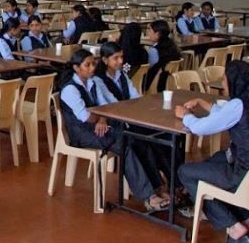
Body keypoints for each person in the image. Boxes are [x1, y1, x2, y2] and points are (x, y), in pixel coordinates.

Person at [176, 61, 249, 243]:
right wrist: (203, 103)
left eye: (224, 78)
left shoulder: (238, 105)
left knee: (186, 172)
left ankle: (234, 226)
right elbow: (229, 115)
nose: (223, 82)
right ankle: (248, 217)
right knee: (215, 159)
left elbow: (201, 128)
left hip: (247, 177)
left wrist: (186, 116)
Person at [57, 49, 169, 211]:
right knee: (125, 143)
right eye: (87, 65)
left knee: (137, 139)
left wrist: (103, 118)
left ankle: (157, 187)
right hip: (81, 133)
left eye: (93, 64)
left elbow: (105, 107)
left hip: (100, 127)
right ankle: (148, 197)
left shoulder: (93, 82)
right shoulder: (70, 89)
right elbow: (84, 117)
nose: (92, 68)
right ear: (76, 68)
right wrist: (100, 118)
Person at [143, 20, 181, 92]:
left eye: (150, 30)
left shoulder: (154, 51)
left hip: (153, 84)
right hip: (170, 84)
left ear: (157, 34)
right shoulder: (173, 46)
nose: (148, 33)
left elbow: (147, 68)